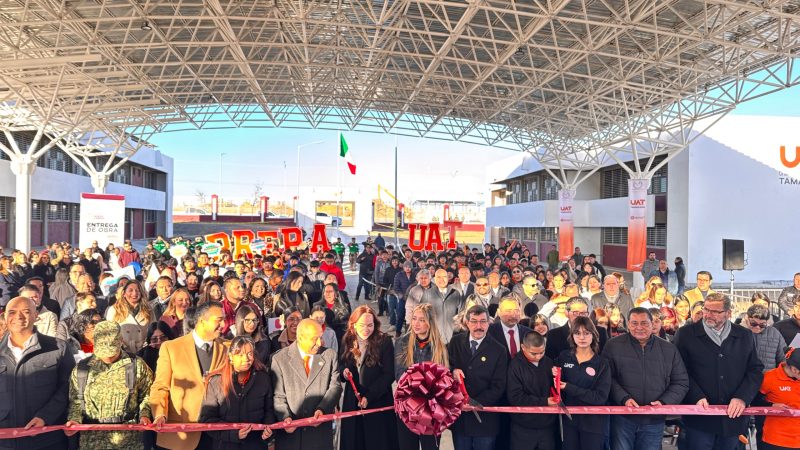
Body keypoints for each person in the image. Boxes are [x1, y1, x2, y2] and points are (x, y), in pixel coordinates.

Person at [674, 293, 764, 450]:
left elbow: (755, 370)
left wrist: (742, 397)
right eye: (706, 309)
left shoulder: (744, 335)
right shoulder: (686, 334)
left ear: (728, 313)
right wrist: (695, 395)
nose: (708, 315)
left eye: (715, 312)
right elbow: (679, 370)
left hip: (733, 418)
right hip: (699, 417)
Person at [603, 307, 689, 450]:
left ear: (652, 324)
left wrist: (663, 402)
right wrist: (623, 398)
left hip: (654, 420)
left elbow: (681, 382)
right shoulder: (613, 345)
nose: (639, 327)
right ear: (628, 324)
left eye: (644, 323)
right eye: (634, 323)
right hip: (622, 418)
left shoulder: (669, 349)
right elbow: (606, 378)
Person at [150, 301, 228, 450]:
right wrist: (160, 414)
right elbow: (160, 386)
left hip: (216, 434)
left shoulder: (226, 348)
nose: (224, 324)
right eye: (219, 320)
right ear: (202, 321)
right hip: (179, 435)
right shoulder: (171, 348)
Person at [0, 296, 75, 450]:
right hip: (5, 441)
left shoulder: (58, 348)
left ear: (36, 316)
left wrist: (45, 417)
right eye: (12, 312)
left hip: (46, 439)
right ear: (5, 317)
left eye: (26, 312)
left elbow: (68, 387)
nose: (18, 317)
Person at [64, 321, 154, 449]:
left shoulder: (136, 365)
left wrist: (144, 415)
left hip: (129, 440)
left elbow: (148, 394)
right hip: (91, 441)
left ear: (121, 341)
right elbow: (76, 401)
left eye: (111, 353)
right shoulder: (82, 369)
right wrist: (74, 420)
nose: (107, 357)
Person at [271, 318, 342, 450]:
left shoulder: (329, 356)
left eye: (320, 337)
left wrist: (323, 409)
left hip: (319, 436)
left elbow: (335, 387)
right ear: (300, 338)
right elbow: (278, 395)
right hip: (291, 437)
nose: (319, 343)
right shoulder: (279, 359)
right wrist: (285, 417)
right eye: (315, 339)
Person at [448, 305, 508, 450]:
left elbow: (499, 386)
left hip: (485, 420)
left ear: (489, 323)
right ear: (467, 323)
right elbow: (445, 368)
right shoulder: (455, 342)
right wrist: (453, 371)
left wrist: (474, 403)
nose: (478, 326)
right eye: (474, 321)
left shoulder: (499, 350)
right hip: (461, 419)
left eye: (482, 321)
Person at [199, 336, 275, 449]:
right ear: (231, 356)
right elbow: (207, 419)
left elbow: (269, 410)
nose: (246, 359)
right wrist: (233, 434)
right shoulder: (216, 382)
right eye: (240, 355)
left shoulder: (263, 378)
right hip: (225, 445)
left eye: (250, 354)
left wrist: (268, 430)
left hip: (255, 444)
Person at [339, 306, 398, 450]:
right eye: (361, 325)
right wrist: (343, 372)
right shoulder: (347, 339)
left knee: (378, 442)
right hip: (352, 401)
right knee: (355, 441)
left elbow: (389, 374)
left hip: (378, 400)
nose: (366, 329)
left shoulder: (384, 341)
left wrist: (369, 396)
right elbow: (340, 365)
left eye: (370, 325)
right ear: (353, 325)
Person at [394, 303, 449, 450]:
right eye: (414, 319)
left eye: (422, 320)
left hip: (431, 411)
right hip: (407, 408)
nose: (416, 323)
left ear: (430, 323)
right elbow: (400, 376)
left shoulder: (440, 346)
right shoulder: (402, 343)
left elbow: (443, 379)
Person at [555, 316, 612, 450]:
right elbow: (554, 388)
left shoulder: (602, 363)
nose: (582, 337)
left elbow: (600, 398)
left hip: (594, 425)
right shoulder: (563, 358)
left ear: (594, 335)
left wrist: (569, 387)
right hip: (569, 423)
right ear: (572, 336)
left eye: (586, 333)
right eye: (577, 333)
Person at [506, 331, 556, 450]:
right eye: (534, 353)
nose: (538, 357)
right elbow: (515, 397)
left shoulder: (549, 362)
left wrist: (557, 378)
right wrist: (545, 402)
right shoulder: (515, 366)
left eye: (542, 352)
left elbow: (555, 389)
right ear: (523, 347)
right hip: (523, 427)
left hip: (547, 426)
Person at [757, 347, 800, 450]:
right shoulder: (770, 378)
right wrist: (771, 406)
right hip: (776, 440)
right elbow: (753, 401)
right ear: (794, 370)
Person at [105, 281, 155, 354]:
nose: (134, 293)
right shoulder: (114, 310)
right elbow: (110, 332)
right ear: (124, 293)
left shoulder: (148, 309)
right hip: (123, 352)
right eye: (130, 290)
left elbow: (153, 329)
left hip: (145, 351)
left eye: (137, 290)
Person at [421, 268, 462, 343]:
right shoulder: (427, 294)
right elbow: (422, 314)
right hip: (434, 337)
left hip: (452, 337)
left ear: (448, 278)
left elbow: (460, 314)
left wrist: (457, 330)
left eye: (444, 277)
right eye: (439, 277)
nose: (442, 279)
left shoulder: (455, 293)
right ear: (434, 279)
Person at [746, 304, 786, 372]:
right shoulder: (739, 333)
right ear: (747, 319)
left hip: (768, 378)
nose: (758, 327)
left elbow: (783, 359)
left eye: (762, 324)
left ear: (767, 322)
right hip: (745, 379)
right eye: (753, 323)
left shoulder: (774, 333)